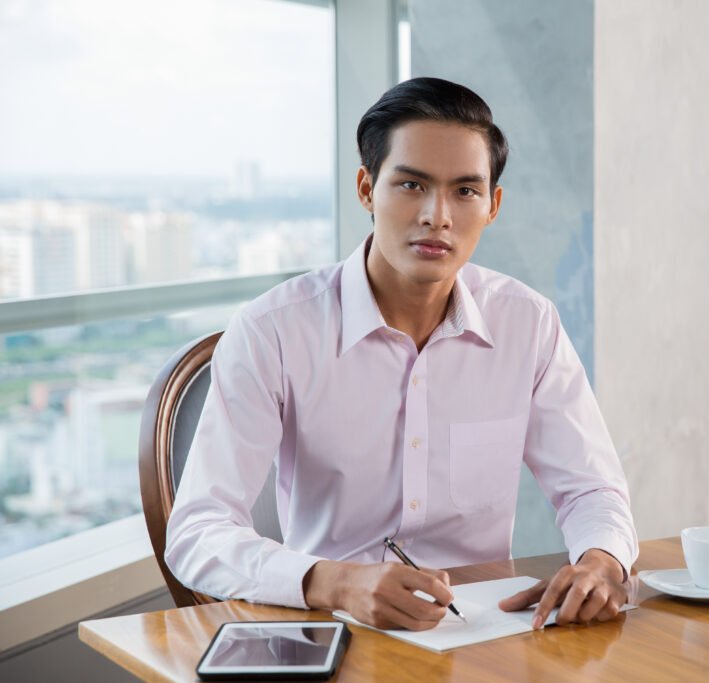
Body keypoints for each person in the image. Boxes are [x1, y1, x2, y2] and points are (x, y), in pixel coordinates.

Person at [165, 77, 638, 632]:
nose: (438, 215)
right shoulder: (274, 330)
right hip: (334, 630)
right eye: (412, 185)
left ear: (493, 205)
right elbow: (197, 531)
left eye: (465, 191)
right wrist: (336, 582)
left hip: (483, 635)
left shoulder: (527, 323)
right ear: (366, 188)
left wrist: (602, 561)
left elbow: (592, 487)